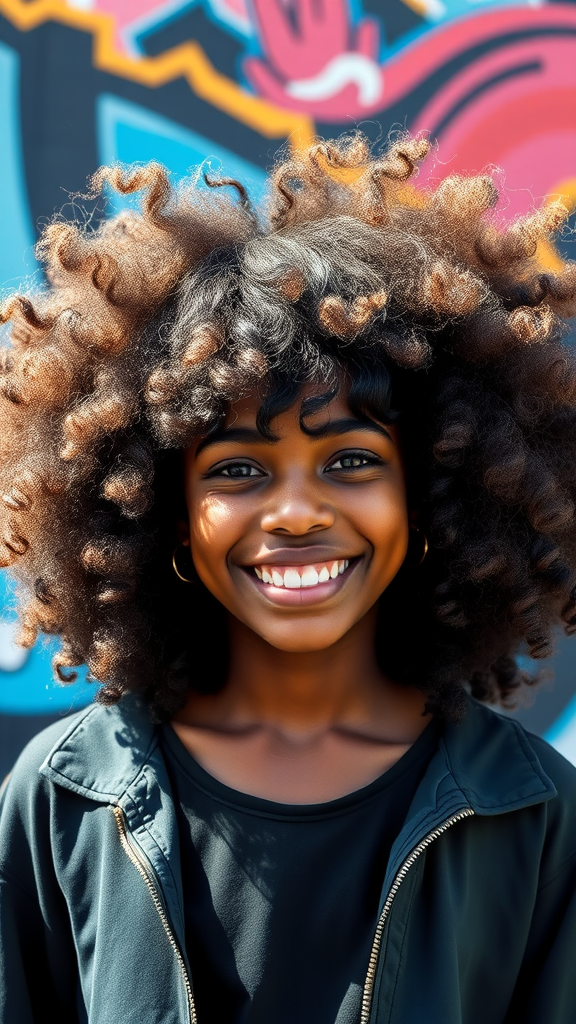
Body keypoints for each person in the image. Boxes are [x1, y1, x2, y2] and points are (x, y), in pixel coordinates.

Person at [0, 133, 576, 1024]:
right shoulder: (61, 798)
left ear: (433, 498)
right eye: (236, 469)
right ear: (158, 516)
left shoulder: (536, 816)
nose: (298, 512)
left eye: (350, 461)